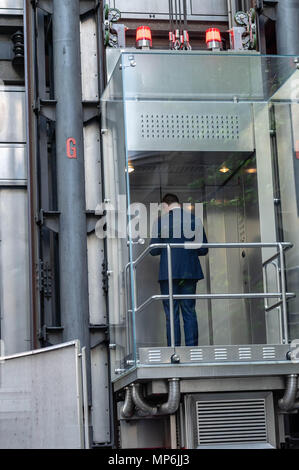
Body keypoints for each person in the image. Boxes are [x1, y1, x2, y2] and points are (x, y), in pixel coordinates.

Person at [150, 194, 208, 347]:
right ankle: (192, 350)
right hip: (189, 272)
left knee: (171, 313)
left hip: (168, 273)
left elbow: (153, 251)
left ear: (164, 205)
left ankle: (174, 350)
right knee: (189, 311)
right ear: (179, 204)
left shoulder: (160, 222)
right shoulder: (194, 220)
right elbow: (203, 249)